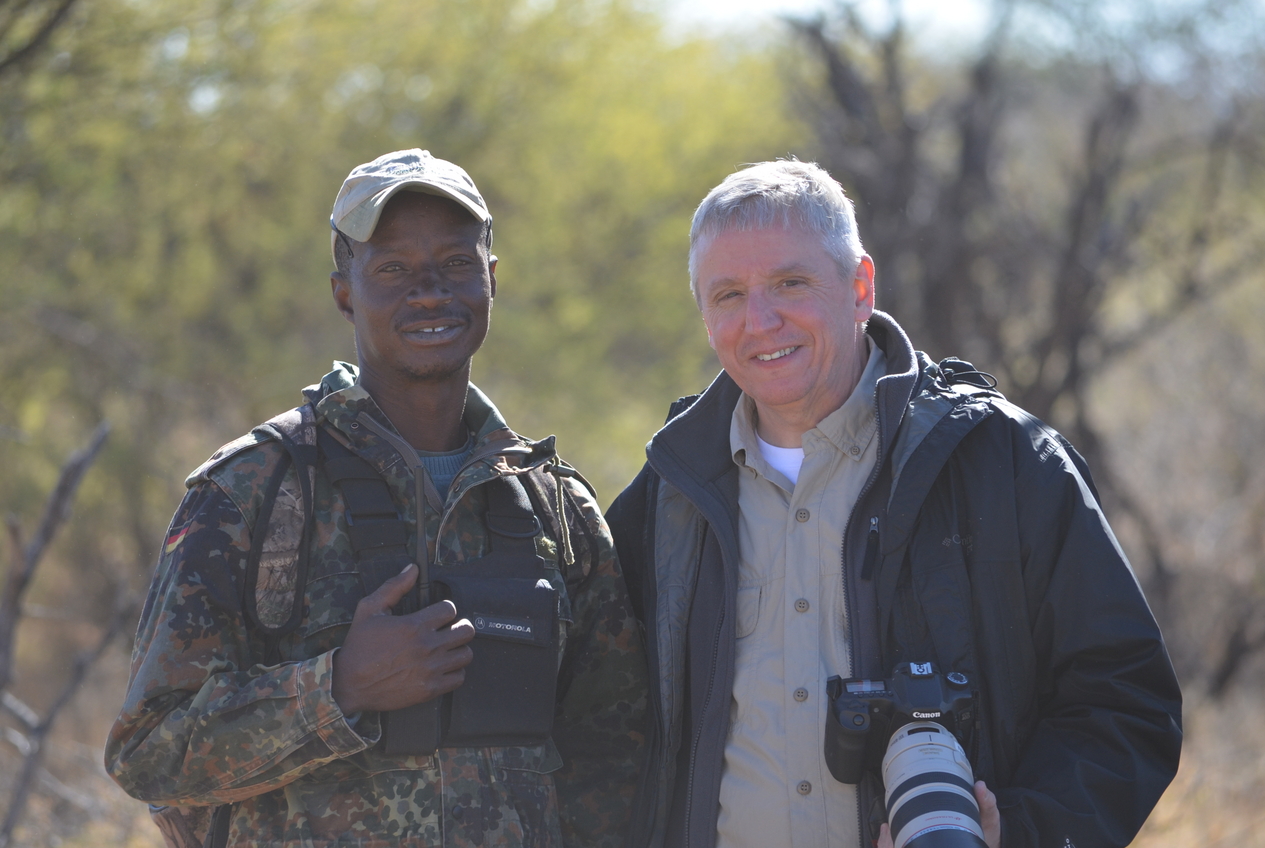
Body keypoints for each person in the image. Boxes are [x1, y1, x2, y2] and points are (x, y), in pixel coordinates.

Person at [607, 160, 1182, 848]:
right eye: (728, 295)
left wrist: (1018, 833)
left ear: (859, 288)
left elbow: (1126, 702)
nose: (760, 320)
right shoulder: (667, 496)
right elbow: (602, 728)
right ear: (704, 317)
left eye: (791, 283)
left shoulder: (1003, 462)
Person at [105, 149, 646, 848]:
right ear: (343, 291)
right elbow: (149, 753)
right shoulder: (252, 492)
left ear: (491, 279)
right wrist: (337, 691)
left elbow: (615, 762)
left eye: (455, 262)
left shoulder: (554, 508)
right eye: (392, 269)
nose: (428, 291)